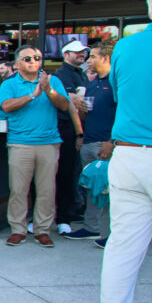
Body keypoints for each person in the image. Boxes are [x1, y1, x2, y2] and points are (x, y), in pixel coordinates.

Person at [93, 0, 152, 303]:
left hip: (129, 155)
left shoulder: (124, 47)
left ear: (151, 9)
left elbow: (122, 95)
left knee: (122, 251)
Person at [0, 44, 70, 248]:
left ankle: (42, 230)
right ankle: (18, 230)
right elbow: (6, 106)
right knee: (18, 190)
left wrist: (49, 91)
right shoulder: (10, 84)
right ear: (17, 64)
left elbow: (65, 105)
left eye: (37, 58)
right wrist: (33, 95)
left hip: (49, 143)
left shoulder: (52, 81)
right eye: (28, 58)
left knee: (47, 190)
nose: (33, 61)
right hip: (20, 143)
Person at [63, 42, 116, 244]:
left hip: (106, 143)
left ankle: (112, 234)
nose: (88, 60)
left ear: (105, 58)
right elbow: (90, 113)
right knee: (92, 188)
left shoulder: (116, 83)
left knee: (109, 190)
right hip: (89, 141)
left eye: (92, 56)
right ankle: (91, 227)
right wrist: (82, 118)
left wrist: (111, 141)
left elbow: (122, 114)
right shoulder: (92, 84)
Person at [54, 40, 90, 235]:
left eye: (83, 52)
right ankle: (62, 217)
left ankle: (67, 213)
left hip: (76, 129)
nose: (81, 55)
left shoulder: (80, 74)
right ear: (66, 54)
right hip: (63, 129)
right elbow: (70, 104)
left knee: (71, 174)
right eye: (77, 52)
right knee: (63, 174)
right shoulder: (61, 75)